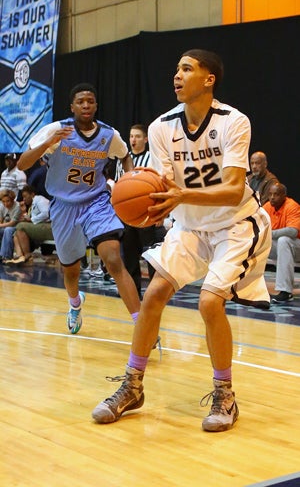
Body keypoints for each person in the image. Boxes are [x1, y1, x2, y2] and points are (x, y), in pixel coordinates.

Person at [92, 49, 272, 432]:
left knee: (209, 302)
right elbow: (160, 188)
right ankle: (133, 385)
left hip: (235, 225)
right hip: (190, 226)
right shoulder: (161, 128)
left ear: (209, 79)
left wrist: (180, 198)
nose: (177, 75)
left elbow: (232, 188)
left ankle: (225, 395)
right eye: (176, 69)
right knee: (154, 295)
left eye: (187, 69)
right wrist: (148, 206)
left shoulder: (233, 122)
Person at [17, 82, 141, 334]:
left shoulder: (108, 135)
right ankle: (75, 304)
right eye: (81, 101)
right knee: (71, 271)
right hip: (63, 207)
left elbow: (125, 154)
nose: (86, 105)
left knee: (114, 259)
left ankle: (142, 325)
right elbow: (22, 164)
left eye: (90, 101)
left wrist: (133, 179)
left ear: (96, 105)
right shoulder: (56, 129)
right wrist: (47, 143)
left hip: (96, 202)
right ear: (71, 106)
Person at [121, 124, 167, 298]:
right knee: (130, 254)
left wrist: (162, 211)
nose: (133, 139)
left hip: (148, 213)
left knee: (151, 254)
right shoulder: (123, 159)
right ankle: (133, 291)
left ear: (146, 139)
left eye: (137, 136)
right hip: (127, 214)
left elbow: (160, 185)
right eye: (131, 136)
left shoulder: (152, 159)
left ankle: (155, 292)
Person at [263, 182, 300, 303]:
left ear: (284, 195)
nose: (272, 197)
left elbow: (293, 231)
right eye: (270, 194)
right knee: (254, 241)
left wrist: (270, 233)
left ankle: (285, 292)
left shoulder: (292, 206)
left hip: (296, 247)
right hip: (281, 248)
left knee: (284, 240)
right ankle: (245, 287)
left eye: (276, 194)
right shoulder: (268, 207)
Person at [5, 184, 53, 265]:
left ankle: (28, 255)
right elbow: (32, 219)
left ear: (32, 194)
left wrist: (31, 219)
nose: (24, 199)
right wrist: (24, 212)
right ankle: (20, 256)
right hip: (42, 225)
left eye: (25, 196)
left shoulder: (40, 199)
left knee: (20, 226)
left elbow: (46, 213)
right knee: (17, 232)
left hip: (49, 226)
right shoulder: (32, 204)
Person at [0, 189, 23, 262]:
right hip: (5, 226)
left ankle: (6, 256)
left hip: (16, 227)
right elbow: (0, 220)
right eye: (3, 201)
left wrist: (0, 225)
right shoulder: (1, 206)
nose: (5, 204)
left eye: (8, 201)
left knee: (8, 230)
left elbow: (12, 223)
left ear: (12, 200)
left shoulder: (17, 206)